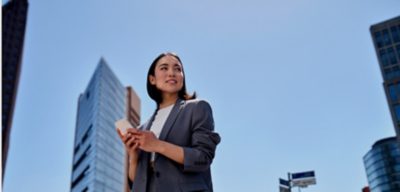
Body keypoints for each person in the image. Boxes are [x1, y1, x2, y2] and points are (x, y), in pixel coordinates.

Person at [117, 52, 221, 192]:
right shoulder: (142, 128)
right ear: (152, 79)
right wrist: (134, 156)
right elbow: (137, 183)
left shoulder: (197, 108)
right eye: (164, 68)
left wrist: (157, 145)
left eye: (178, 69)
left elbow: (203, 157)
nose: (172, 73)